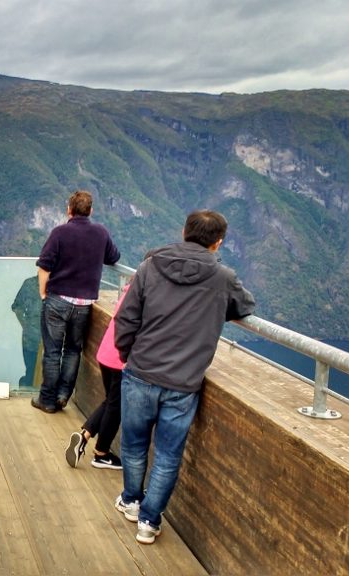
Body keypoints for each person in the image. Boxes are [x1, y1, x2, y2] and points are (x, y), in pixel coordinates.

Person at [113, 210, 255, 545]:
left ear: (183, 232)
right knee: (167, 455)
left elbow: (126, 318)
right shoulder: (223, 277)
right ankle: (149, 522)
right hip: (183, 383)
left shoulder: (149, 267)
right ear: (218, 242)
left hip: (141, 371)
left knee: (133, 443)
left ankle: (131, 500)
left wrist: (126, 355)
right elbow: (246, 305)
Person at [32, 190, 120, 414]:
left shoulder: (60, 232)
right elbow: (113, 257)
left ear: (69, 210)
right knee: (73, 350)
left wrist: (43, 292)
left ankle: (47, 400)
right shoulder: (100, 232)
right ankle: (63, 395)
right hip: (84, 305)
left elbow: (45, 265)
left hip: (57, 299)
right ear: (90, 211)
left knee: (52, 352)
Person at [65, 282, 130, 470]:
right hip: (120, 359)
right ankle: (101, 453)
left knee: (111, 401)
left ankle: (85, 435)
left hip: (106, 353)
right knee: (116, 406)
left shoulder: (129, 292)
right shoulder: (147, 295)